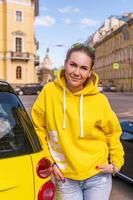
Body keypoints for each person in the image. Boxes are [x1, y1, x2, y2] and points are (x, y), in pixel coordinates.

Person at [32, 43, 124, 200]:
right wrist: (50, 163)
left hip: (97, 176)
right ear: (65, 64)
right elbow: (38, 129)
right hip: (65, 178)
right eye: (73, 65)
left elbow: (113, 132)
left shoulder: (99, 100)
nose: (76, 72)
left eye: (83, 68)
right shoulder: (49, 92)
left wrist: (116, 163)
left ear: (89, 73)